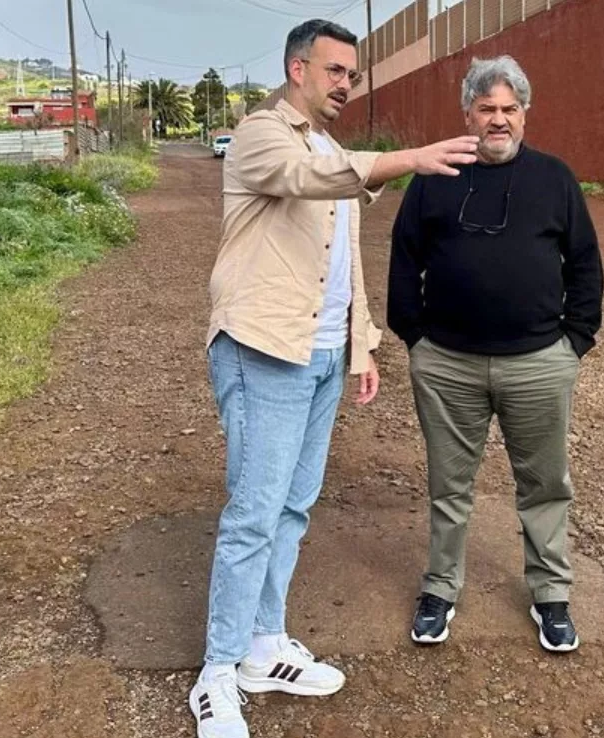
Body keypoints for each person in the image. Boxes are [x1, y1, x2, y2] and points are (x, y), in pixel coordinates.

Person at [190, 18, 479, 738]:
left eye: (352, 73)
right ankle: (217, 672)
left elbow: (342, 255)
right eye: (335, 70)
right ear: (297, 70)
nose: (346, 83)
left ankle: (262, 646)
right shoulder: (262, 135)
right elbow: (309, 179)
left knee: (291, 508)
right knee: (254, 513)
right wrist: (408, 155)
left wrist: (363, 346)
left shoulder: (327, 146)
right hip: (263, 351)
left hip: (319, 356)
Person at [387, 55, 604, 654]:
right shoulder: (433, 176)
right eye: (488, 109)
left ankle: (551, 595)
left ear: (525, 115)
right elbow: (404, 258)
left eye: (510, 109)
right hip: (448, 363)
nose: (499, 120)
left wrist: (575, 341)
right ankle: (440, 588)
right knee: (449, 485)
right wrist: (414, 336)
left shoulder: (556, 179)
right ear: (468, 114)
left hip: (538, 362)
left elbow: (584, 262)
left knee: (544, 484)